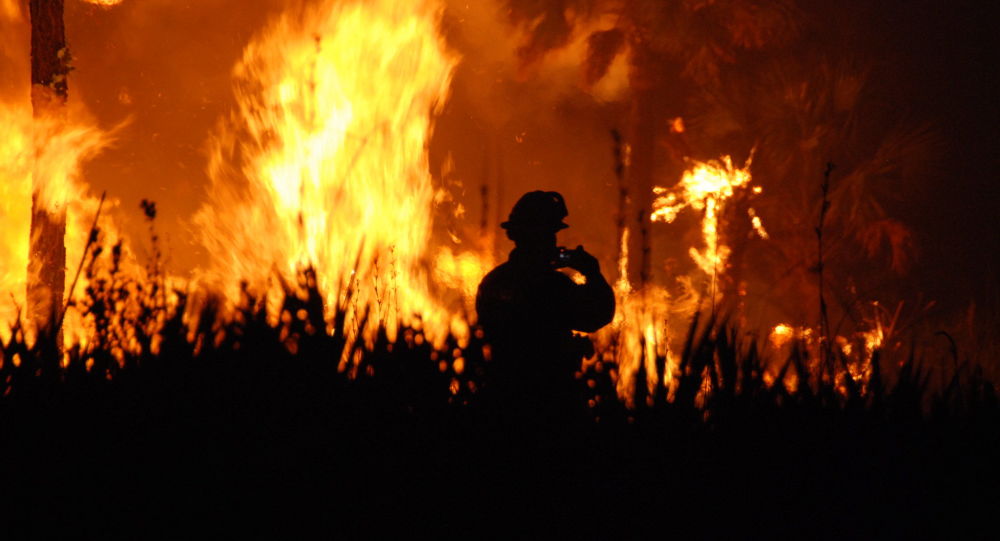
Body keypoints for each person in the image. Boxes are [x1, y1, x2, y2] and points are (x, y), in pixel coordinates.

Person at [475, 191, 615, 419]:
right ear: (540, 236)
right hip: (550, 399)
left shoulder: (493, 281)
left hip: (501, 398)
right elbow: (596, 315)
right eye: (550, 234)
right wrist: (592, 273)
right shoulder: (550, 284)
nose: (554, 242)